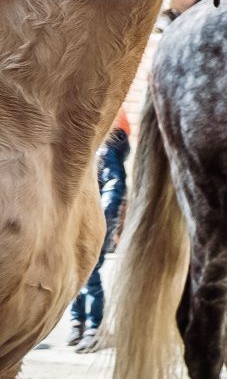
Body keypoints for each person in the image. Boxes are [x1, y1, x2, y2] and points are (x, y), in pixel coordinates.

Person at [66, 117, 129, 351]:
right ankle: (78, 321)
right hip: (79, 216)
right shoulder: (87, 142)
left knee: (88, 271)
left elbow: (115, 185)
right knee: (75, 269)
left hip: (95, 219)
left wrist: (101, 218)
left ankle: (94, 326)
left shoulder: (108, 141)